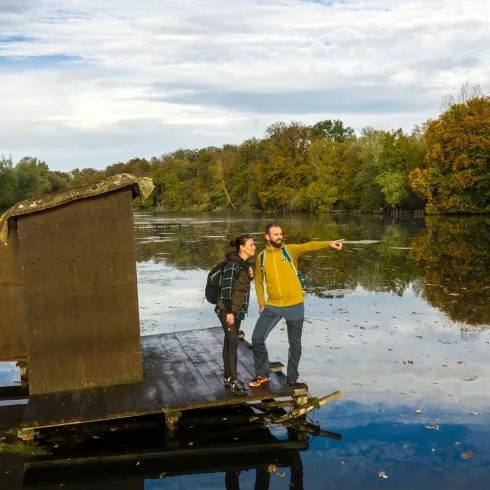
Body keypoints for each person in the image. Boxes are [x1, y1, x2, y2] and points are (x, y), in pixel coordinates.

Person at [249, 223, 344, 387]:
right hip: (273, 305)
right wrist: (261, 302)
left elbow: (308, 246)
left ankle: (292, 377)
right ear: (267, 237)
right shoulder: (262, 257)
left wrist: (328, 244)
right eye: (275, 234)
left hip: (295, 305)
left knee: (295, 344)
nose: (279, 236)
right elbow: (258, 280)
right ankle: (262, 374)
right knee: (257, 338)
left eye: (280, 233)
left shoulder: (289, 250)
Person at [216, 234, 256, 395]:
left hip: (236, 310)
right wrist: (229, 312)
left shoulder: (244, 264)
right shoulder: (233, 264)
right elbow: (226, 289)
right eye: (251, 245)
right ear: (242, 247)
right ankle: (234, 381)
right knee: (233, 345)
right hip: (228, 310)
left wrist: (250, 277)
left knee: (229, 342)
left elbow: (239, 287)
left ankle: (227, 376)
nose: (254, 247)